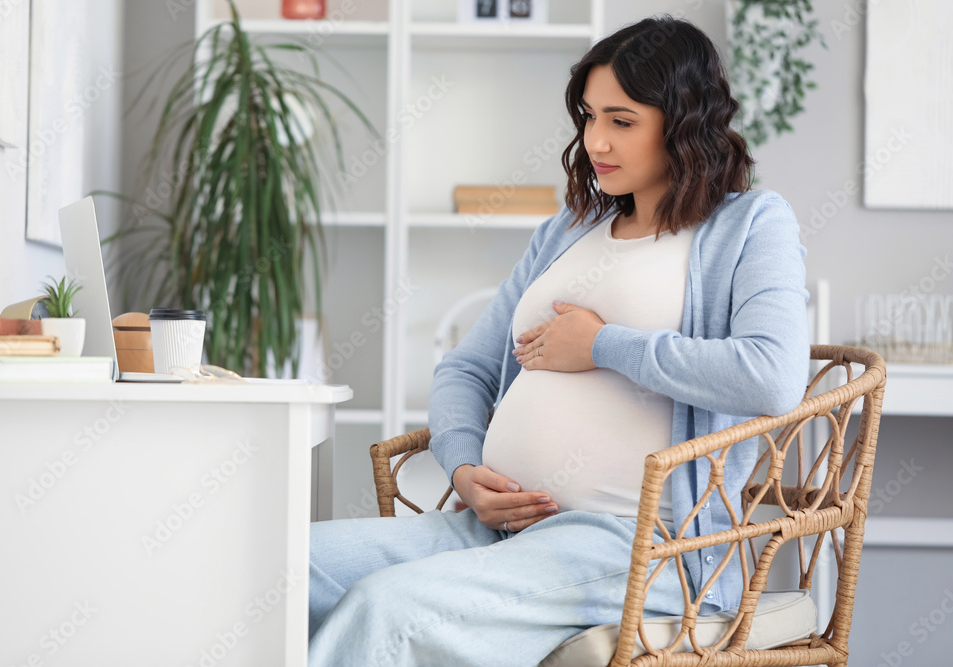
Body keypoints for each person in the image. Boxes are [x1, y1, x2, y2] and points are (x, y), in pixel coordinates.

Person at [308, 14, 809, 667]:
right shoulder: (570, 228)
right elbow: (465, 368)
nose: (596, 140)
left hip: (638, 547)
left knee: (387, 608)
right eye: (589, 116)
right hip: (495, 528)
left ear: (685, 123)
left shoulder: (749, 224)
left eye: (622, 121)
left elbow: (771, 375)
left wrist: (602, 345)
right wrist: (464, 466)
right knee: (284, 567)